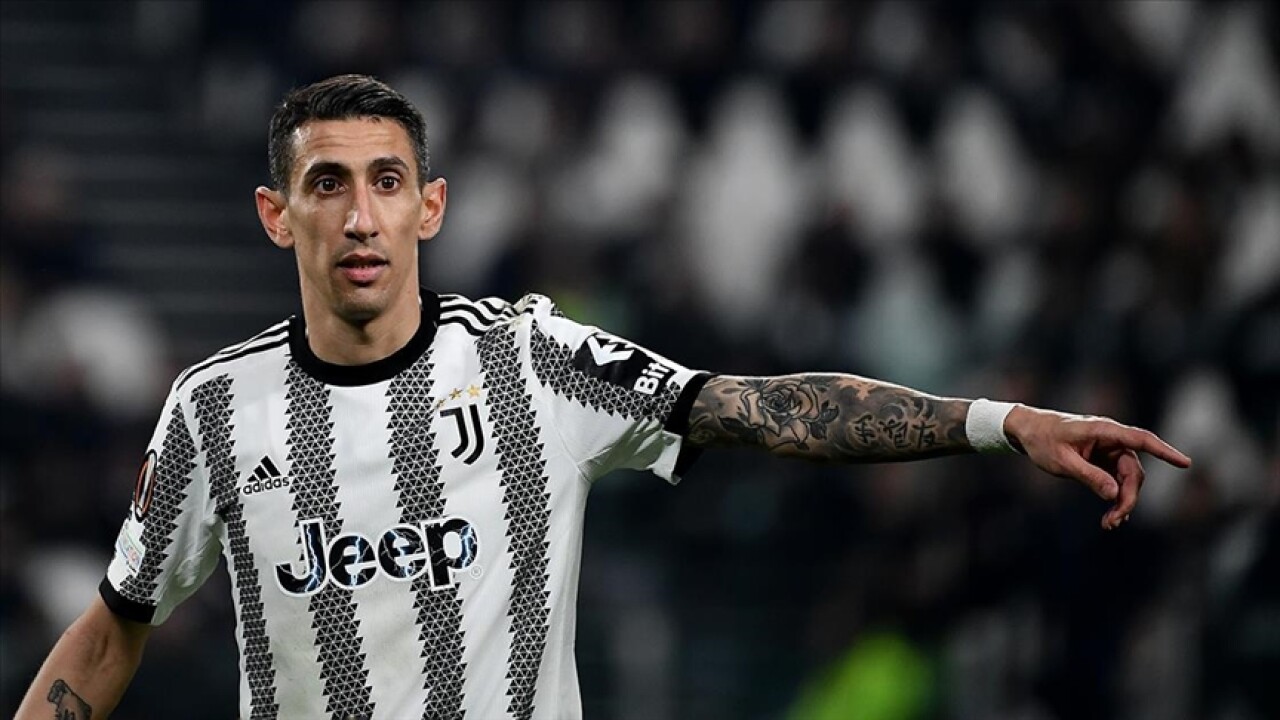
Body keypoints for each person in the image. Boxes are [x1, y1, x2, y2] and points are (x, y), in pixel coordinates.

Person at [16, 74, 1191, 720]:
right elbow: (115, 627)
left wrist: (996, 423)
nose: (360, 216)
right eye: (327, 184)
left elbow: (763, 408)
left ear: (430, 205)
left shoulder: (532, 361)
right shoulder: (214, 410)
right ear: (277, 216)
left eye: (386, 181)